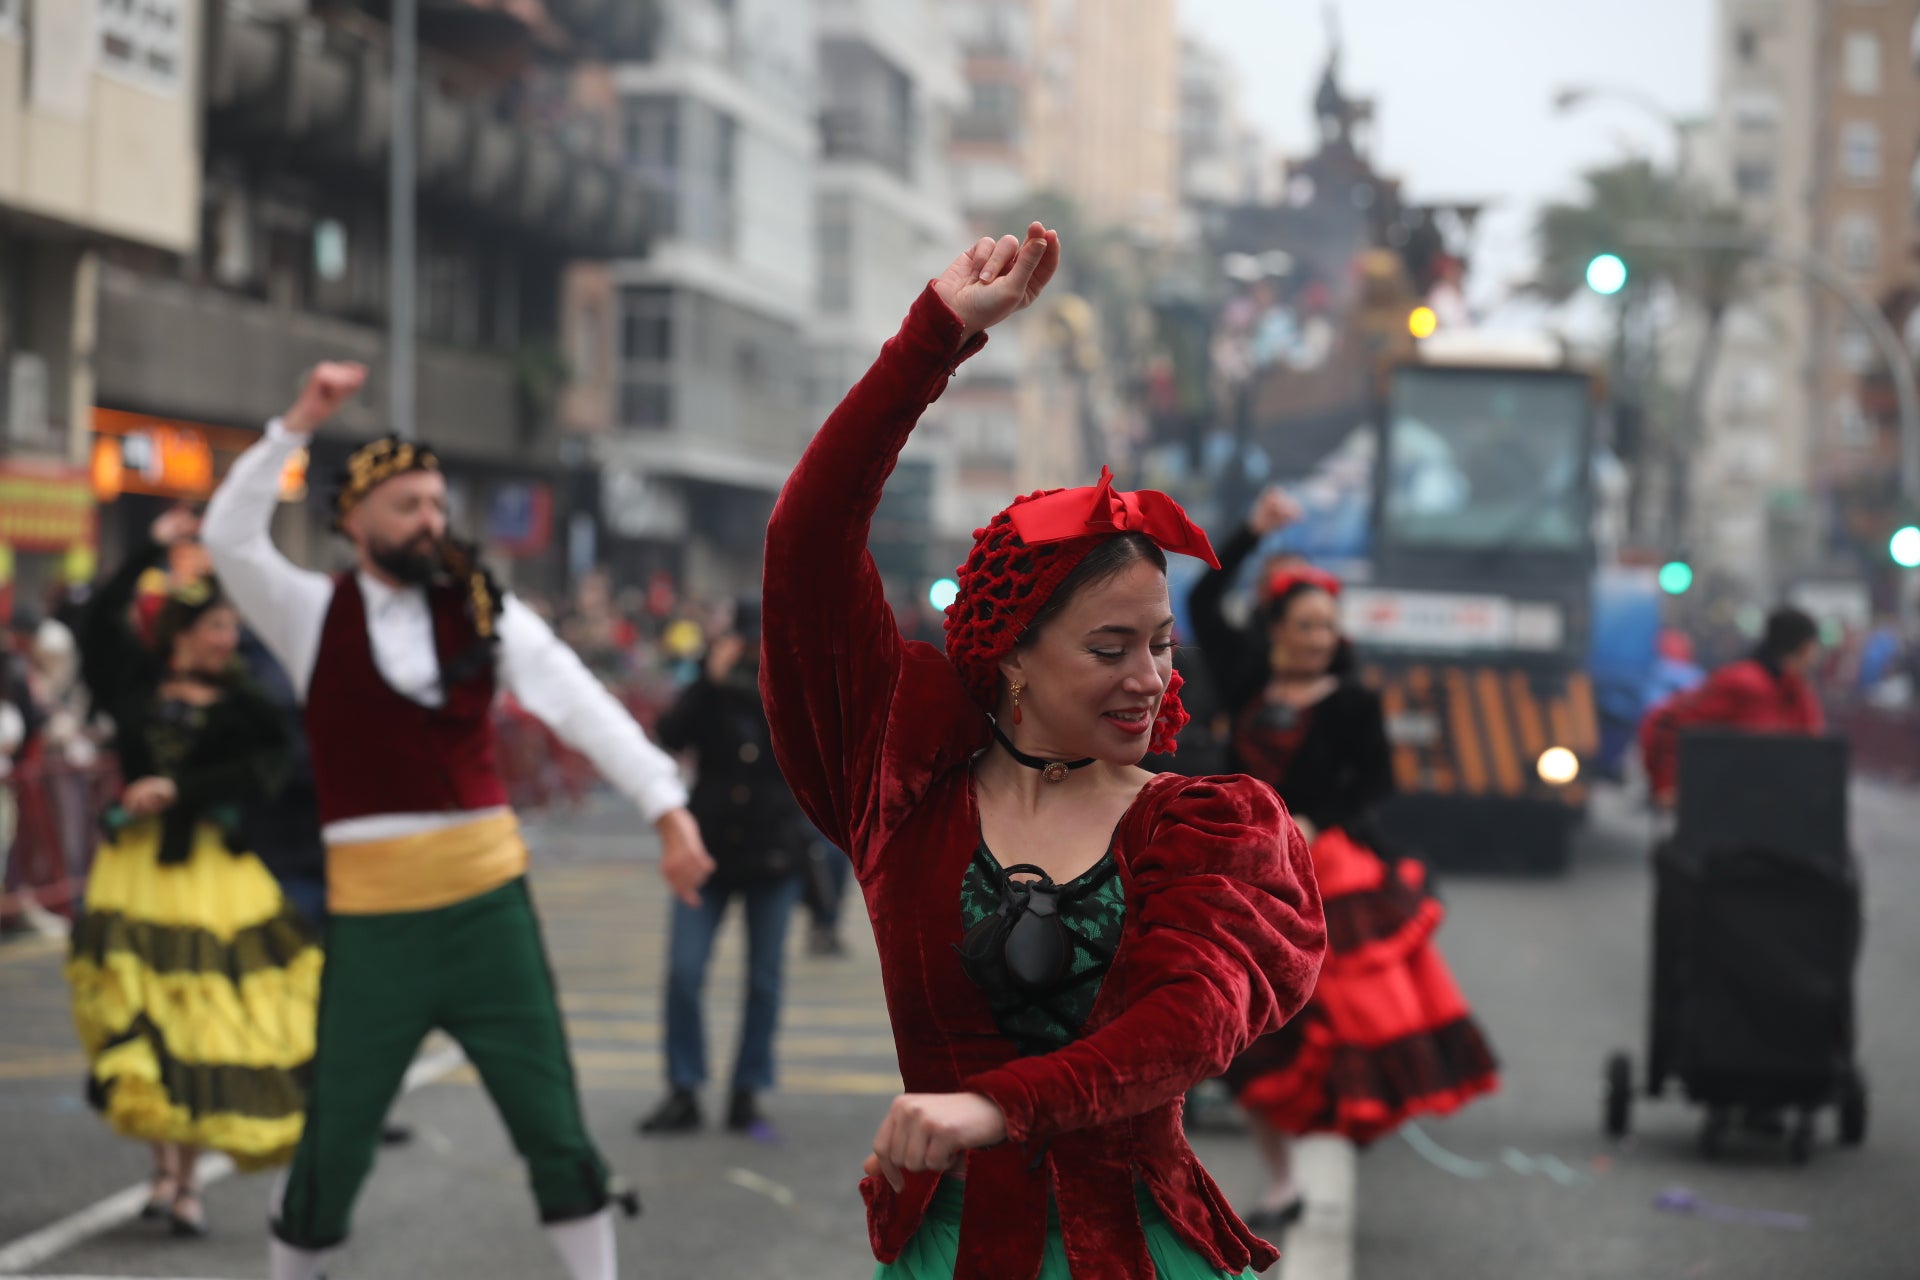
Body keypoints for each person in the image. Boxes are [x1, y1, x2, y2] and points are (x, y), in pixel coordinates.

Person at [761, 223, 1328, 1280]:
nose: (1150, 677)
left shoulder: (1206, 828)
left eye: (1160, 644)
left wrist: (994, 1105)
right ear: (1011, 661)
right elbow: (805, 544)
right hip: (946, 1252)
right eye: (1109, 646)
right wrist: (929, 342)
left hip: (1138, 1254)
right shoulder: (903, 791)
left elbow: (1187, 1020)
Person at [201, 364, 715, 1280]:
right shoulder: (311, 612)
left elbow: (582, 705)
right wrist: (299, 424)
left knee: (551, 1118)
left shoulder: (487, 610)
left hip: (489, 912)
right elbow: (227, 536)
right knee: (338, 1137)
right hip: (375, 924)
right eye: (407, 506)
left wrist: (666, 807)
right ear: (353, 521)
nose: (431, 521)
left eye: (437, 503)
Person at [1188, 489, 1500, 1228]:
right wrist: (1249, 531)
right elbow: (1203, 597)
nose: (1321, 637)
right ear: (1276, 629)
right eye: (1307, 625)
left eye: (1329, 626)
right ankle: (1281, 1181)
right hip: (1247, 872)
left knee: (1344, 1017)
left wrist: (1315, 818)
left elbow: (1379, 783)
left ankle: (1336, 1134)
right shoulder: (1246, 680)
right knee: (1249, 1033)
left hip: (1329, 867)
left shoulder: (1354, 704)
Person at [64, 510, 320, 1237]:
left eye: (231, 629)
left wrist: (184, 792)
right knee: (141, 1014)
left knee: (200, 1023)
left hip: (211, 874)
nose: (227, 638)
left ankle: (185, 1184)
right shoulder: (135, 688)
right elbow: (99, 616)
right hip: (135, 872)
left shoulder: (247, 708)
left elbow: (270, 771)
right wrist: (153, 543)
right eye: (215, 627)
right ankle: (164, 1171)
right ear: (182, 633)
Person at [639, 599, 807, 1138]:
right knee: (684, 973)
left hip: (772, 852)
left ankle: (747, 1090)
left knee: (765, 981)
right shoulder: (710, 687)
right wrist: (710, 682)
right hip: (706, 851)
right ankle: (683, 1088)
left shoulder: (791, 685)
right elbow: (669, 733)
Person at [1640, 605, 1825, 806]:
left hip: (1777, 814)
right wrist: (1665, 784)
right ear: (1806, 647)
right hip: (1724, 815)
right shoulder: (1743, 682)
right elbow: (1663, 721)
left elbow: (1811, 749)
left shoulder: (1798, 693)